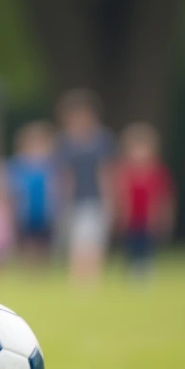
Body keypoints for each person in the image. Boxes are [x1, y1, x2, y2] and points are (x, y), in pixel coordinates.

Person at [54, 90, 115, 284]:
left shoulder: (101, 140)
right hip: (74, 201)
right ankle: (77, 279)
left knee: (92, 240)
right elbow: (64, 175)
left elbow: (105, 172)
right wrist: (62, 201)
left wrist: (109, 200)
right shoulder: (65, 142)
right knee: (76, 241)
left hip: (94, 199)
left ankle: (92, 279)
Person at [114, 123, 175, 279]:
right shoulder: (124, 171)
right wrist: (120, 215)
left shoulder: (157, 172)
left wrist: (164, 216)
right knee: (131, 247)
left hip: (149, 219)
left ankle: (145, 273)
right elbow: (120, 195)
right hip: (131, 219)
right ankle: (130, 273)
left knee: (147, 247)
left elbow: (164, 197)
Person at [7, 122, 58, 264]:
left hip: (46, 213)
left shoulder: (53, 166)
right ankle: (29, 271)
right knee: (27, 244)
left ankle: (42, 272)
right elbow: (11, 190)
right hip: (24, 213)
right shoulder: (17, 166)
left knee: (45, 244)